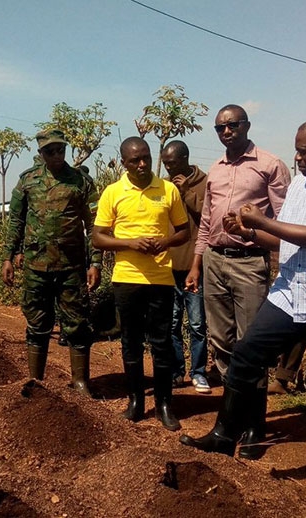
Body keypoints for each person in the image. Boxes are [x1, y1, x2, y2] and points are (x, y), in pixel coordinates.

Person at [180, 116, 306, 513]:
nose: (297, 157)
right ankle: (224, 434)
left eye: (303, 151)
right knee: (245, 358)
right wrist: (250, 231)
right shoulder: (305, 182)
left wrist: (261, 219)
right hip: (291, 293)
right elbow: (284, 235)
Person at [186, 104, 290, 457]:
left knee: (252, 346)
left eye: (232, 125)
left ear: (246, 125)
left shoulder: (269, 165)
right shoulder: (214, 170)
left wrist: (252, 230)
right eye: (220, 128)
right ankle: (231, 423)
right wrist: (197, 263)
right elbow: (205, 222)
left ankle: (254, 428)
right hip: (215, 260)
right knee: (222, 342)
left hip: (249, 264)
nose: (226, 131)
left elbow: (285, 221)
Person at [93, 136, 190, 431]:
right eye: (135, 160)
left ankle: (164, 404)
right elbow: (98, 237)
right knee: (131, 341)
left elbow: (184, 231)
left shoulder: (168, 189)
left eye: (146, 157)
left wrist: (163, 242)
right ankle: (135, 401)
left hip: (161, 278)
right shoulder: (113, 193)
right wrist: (130, 243)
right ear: (124, 163)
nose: (143, 164)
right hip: (127, 278)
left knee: (161, 342)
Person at [1, 129, 101, 397]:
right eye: (50, 151)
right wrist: (8, 257)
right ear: (41, 153)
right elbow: (16, 221)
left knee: (77, 323)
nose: (56, 155)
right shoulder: (27, 181)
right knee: (37, 323)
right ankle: (36, 380)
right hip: (36, 266)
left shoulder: (80, 181)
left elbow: (94, 224)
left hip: (71, 266)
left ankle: (80, 382)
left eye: (60, 149)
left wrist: (96, 263)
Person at [160, 140, 210, 394]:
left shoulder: (206, 182)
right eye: (165, 164)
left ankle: (199, 373)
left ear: (185, 158)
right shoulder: (164, 186)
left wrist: (187, 192)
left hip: (195, 265)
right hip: (169, 265)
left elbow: (209, 217)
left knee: (198, 324)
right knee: (172, 323)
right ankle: (177, 371)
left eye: (172, 163)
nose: (168, 168)